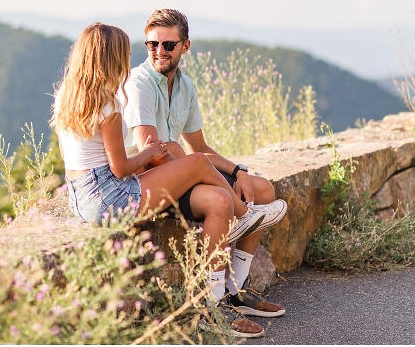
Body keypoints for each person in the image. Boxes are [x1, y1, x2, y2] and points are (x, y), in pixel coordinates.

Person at [51, 22, 267, 338]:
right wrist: (150, 153)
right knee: (195, 162)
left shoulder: (67, 97)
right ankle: (245, 215)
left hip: (81, 196)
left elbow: (89, 160)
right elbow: (121, 169)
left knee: (190, 161)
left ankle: (239, 221)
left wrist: (142, 160)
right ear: (112, 58)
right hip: (112, 197)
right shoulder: (108, 104)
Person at [122, 8, 288, 324]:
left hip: (185, 169)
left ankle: (238, 290)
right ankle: (213, 306)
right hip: (154, 181)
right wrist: (204, 176)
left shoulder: (186, 86)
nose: (159, 51)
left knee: (262, 189)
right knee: (219, 200)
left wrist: (239, 172)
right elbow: (151, 151)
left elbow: (198, 148)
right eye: (152, 44)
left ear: (185, 46)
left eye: (168, 45)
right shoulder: (139, 83)